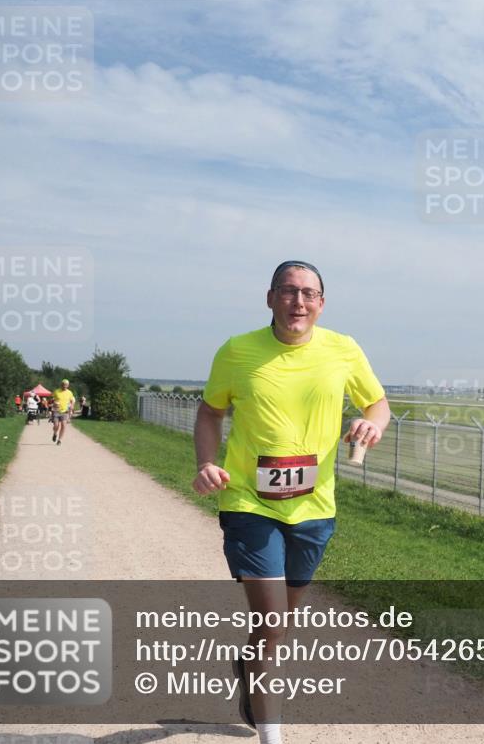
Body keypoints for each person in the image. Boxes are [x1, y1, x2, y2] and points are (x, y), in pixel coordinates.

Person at [192, 260, 389, 742]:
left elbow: (377, 403)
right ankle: (271, 735)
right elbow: (210, 411)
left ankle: (249, 663)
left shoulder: (343, 350)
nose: (298, 302)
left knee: (277, 628)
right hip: (248, 502)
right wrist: (205, 462)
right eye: (288, 291)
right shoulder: (237, 351)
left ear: (321, 303)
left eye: (309, 293)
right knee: (274, 622)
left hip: (315, 509)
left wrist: (373, 425)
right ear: (270, 298)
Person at [51, 379, 75, 446]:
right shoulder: (56, 391)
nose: (65, 386)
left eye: (66, 385)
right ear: (61, 384)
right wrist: (54, 403)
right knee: (56, 425)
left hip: (65, 411)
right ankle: (55, 433)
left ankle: (59, 440)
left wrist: (72, 406)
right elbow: (52, 400)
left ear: (68, 385)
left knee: (64, 426)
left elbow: (72, 400)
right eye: (64, 384)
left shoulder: (70, 392)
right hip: (56, 411)